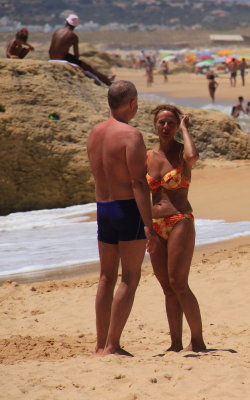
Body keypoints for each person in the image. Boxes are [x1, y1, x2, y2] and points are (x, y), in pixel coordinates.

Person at [87, 80, 157, 356]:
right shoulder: (131, 135)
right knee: (129, 276)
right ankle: (113, 345)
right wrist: (149, 225)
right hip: (127, 209)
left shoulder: (94, 133)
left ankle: (100, 343)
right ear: (132, 103)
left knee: (105, 277)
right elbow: (138, 183)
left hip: (103, 208)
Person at [146, 104, 206, 352]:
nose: (165, 127)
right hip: (155, 224)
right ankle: (175, 343)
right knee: (168, 288)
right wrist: (144, 226)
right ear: (155, 125)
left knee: (179, 283)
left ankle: (198, 340)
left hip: (180, 219)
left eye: (170, 122)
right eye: (161, 122)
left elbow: (193, 157)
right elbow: (138, 191)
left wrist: (185, 129)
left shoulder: (182, 154)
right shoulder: (148, 157)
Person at [49, 14, 114, 86]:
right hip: (62, 58)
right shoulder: (73, 36)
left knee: (76, 60)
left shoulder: (57, 31)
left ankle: (106, 77)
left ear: (66, 22)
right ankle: (107, 80)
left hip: (51, 56)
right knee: (87, 67)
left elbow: (53, 46)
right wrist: (78, 63)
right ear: (75, 26)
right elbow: (76, 55)